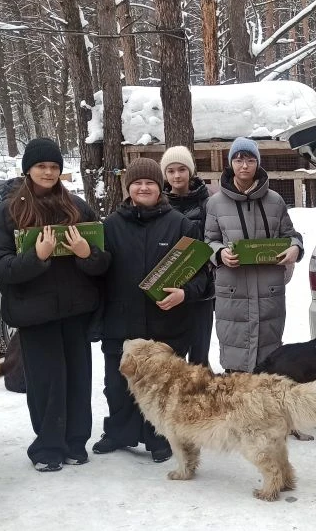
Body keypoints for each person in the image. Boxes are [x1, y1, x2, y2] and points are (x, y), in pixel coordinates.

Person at [0, 137, 110, 472]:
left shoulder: (77, 208)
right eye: (41, 166)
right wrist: (36, 257)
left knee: (77, 380)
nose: (48, 172)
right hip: (35, 314)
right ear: (28, 169)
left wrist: (87, 254)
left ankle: (75, 443)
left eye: (54, 166)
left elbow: (103, 263)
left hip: (75, 310)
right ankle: (48, 447)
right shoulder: (8, 213)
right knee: (46, 383)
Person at [93, 157, 209, 463]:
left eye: (150, 183)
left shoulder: (181, 225)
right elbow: (97, 274)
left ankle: (160, 437)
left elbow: (202, 276)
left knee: (164, 387)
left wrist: (184, 293)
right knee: (116, 385)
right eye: (137, 183)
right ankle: (119, 432)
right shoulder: (110, 227)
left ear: (160, 187)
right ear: (128, 188)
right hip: (121, 324)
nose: (143, 188)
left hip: (166, 326)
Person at [204, 137, 303, 372]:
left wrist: (295, 248)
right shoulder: (215, 203)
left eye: (250, 160)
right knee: (236, 368)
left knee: (269, 365)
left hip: (268, 292)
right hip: (233, 291)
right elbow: (209, 242)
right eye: (239, 160)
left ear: (257, 163)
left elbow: (291, 235)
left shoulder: (275, 201)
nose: (244, 166)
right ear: (231, 163)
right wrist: (220, 254)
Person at [161, 146, 215, 367]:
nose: (176, 175)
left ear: (190, 171)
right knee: (172, 357)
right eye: (171, 170)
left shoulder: (208, 202)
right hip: (168, 285)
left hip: (201, 287)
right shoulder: (159, 204)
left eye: (182, 169)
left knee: (199, 357)